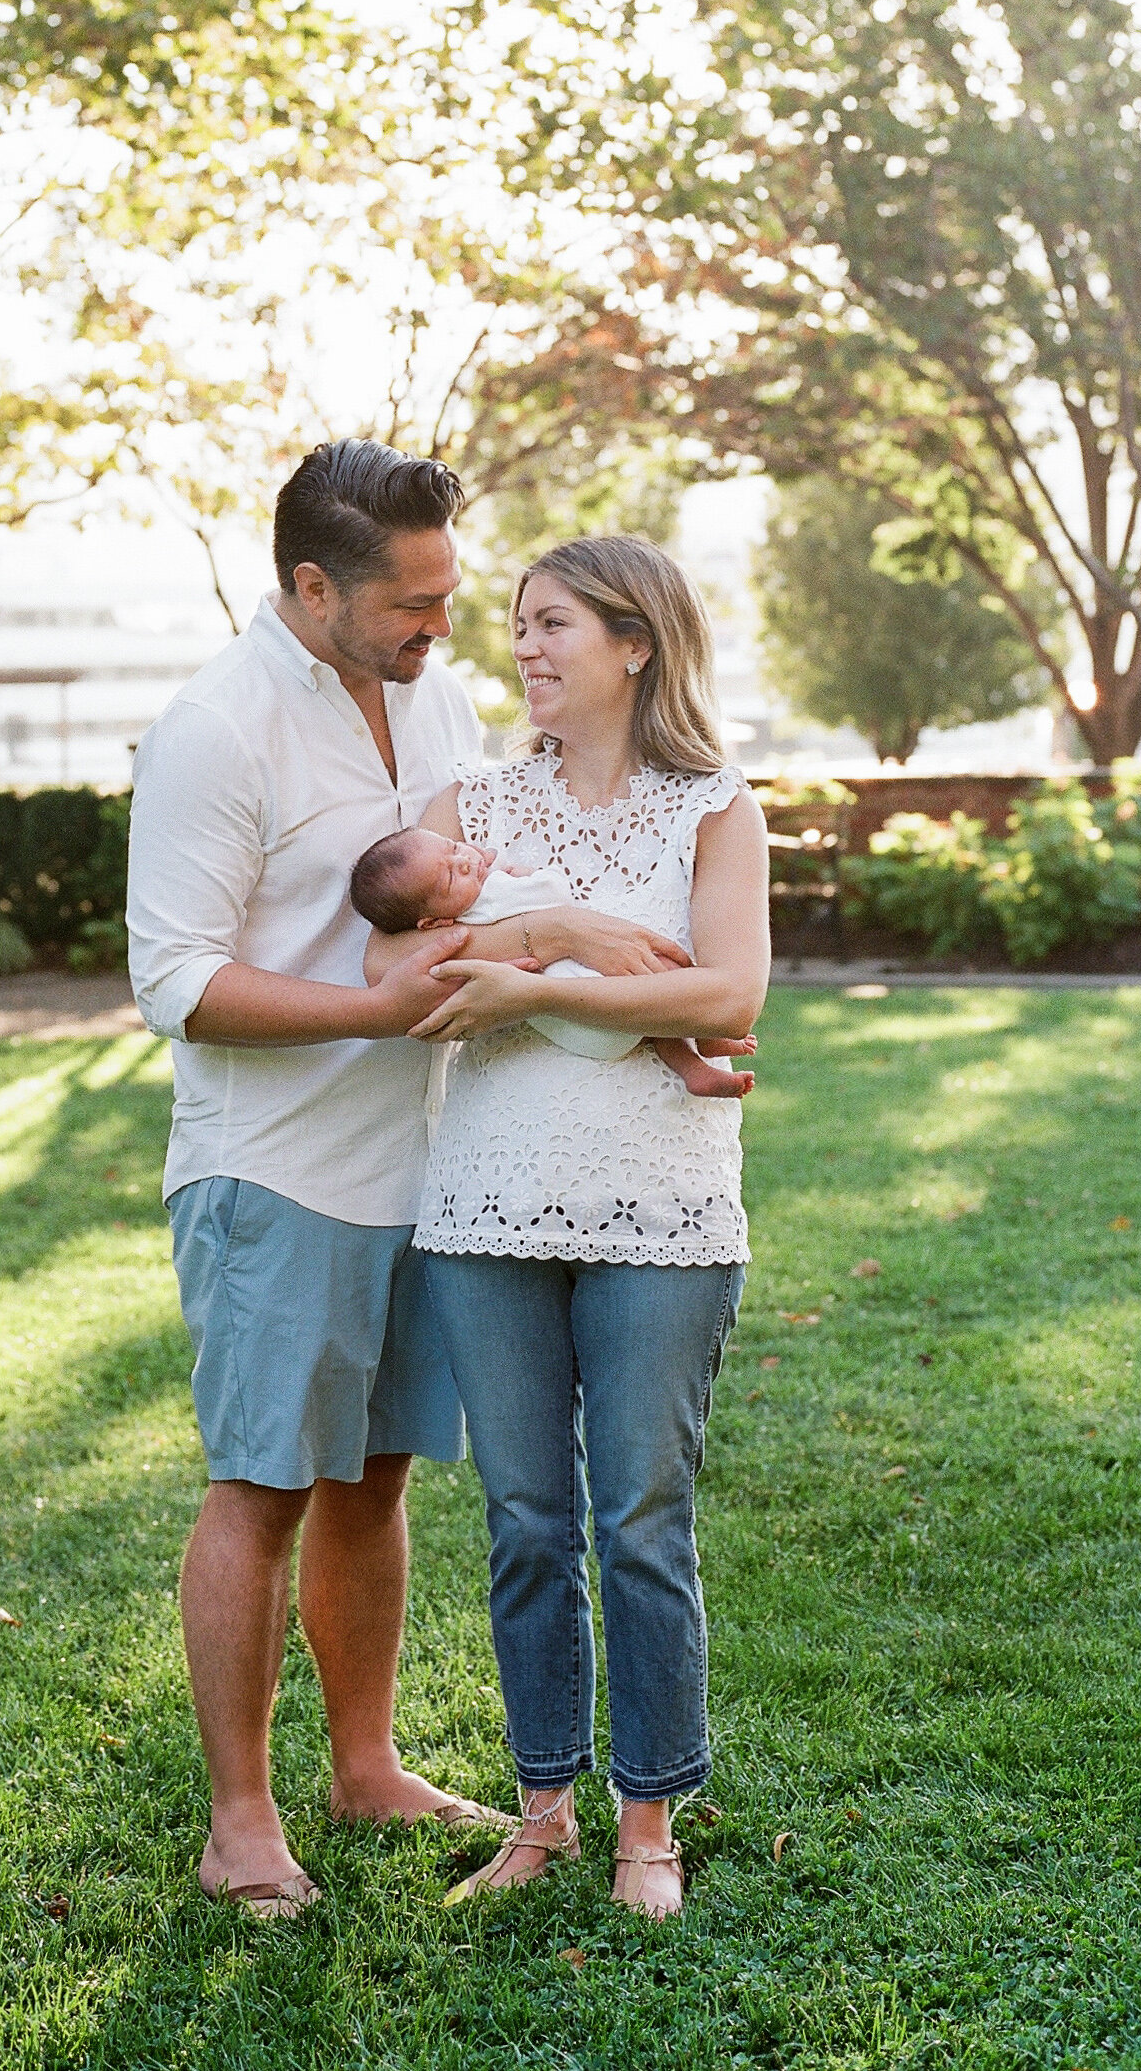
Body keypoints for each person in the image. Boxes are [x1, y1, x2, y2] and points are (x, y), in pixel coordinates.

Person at [126, 444, 690, 1918]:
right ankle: (240, 1817)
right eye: (411, 600)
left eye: (451, 592)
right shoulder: (215, 729)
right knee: (261, 1487)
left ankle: (363, 1761)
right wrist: (375, 1011)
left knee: (373, 1486)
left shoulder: (431, 694)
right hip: (279, 1171)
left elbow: (479, 877)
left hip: (429, 1170)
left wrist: (563, 930)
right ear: (312, 588)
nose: (446, 626)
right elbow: (174, 979)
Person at [367, 535, 770, 1921]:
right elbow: (392, 964)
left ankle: (646, 1822)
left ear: (636, 642)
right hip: (483, 1207)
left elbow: (730, 994)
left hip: (664, 1212)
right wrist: (570, 931)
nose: (527, 648)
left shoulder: (716, 807)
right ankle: (541, 1811)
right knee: (528, 1520)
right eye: (520, 627)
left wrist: (541, 965)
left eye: (556, 626)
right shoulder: (474, 803)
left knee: (641, 1516)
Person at [350, 826, 754, 1099]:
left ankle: (693, 1067)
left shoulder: (457, 924)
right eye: (449, 878)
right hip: (580, 1002)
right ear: (434, 921)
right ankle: (701, 1039)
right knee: (657, 969)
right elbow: (553, 889)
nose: (465, 861)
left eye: (455, 848)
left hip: (575, 1029)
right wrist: (516, 873)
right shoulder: (490, 896)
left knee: (647, 1016)